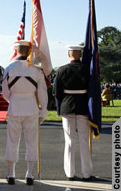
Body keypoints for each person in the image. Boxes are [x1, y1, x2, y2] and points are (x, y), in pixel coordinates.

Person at [2, 40, 48, 186]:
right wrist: (43, 109)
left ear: (16, 51)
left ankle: (11, 174)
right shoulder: (36, 69)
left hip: (15, 107)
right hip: (31, 108)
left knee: (12, 141)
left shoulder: (9, 67)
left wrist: (13, 100)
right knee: (31, 141)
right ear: (29, 52)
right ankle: (29, 174)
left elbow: (4, 92)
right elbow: (42, 92)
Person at [54, 45, 93, 181]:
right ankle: (86, 173)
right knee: (83, 140)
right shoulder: (88, 69)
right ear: (80, 55)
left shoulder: (62, 70)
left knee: (69, 141)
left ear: (68, 54)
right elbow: (92, 89)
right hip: (83, 106)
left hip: (67, 107)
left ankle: (70, 173)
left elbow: (57, 92)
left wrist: (61, 106)